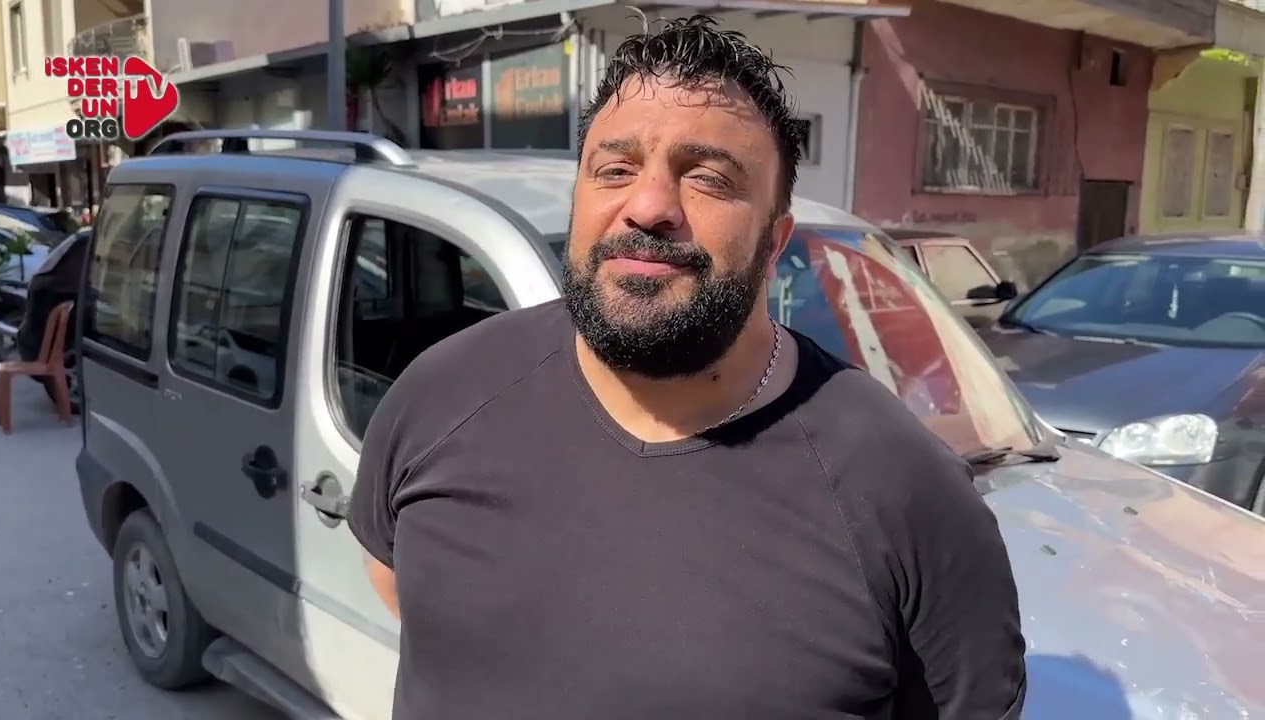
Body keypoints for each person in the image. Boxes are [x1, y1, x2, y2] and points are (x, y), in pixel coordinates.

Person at [349, 15, 1027, 719]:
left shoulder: (907, 492)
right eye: (614, 170)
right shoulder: (442, 393)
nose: (648, 207)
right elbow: (401, 588)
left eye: (708, 177)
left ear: (775, 243)